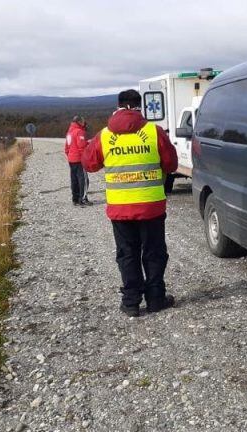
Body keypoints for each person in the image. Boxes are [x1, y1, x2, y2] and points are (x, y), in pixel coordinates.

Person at [82, 89, 178, 317]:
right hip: (151, 205)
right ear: (139, 106)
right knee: (154, 252)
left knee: (127, 253)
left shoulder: (104, 135)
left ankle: (131, 302)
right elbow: (171, 164)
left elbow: (89, 164)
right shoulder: (153, 132)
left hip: (120, 207)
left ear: (118, 106)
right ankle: (155, 298)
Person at [65, 115, 91, 206]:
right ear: (79, 122)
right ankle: (83, 199)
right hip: (79, 159)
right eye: (83, 121)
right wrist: (85, 158)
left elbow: (67, 147)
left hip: (71, 159)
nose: (84, 123)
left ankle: (75, 199)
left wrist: (69, 155)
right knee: (83, 179)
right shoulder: (80, 132)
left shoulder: (69, 132)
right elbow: (82, 147)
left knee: (74, 179)